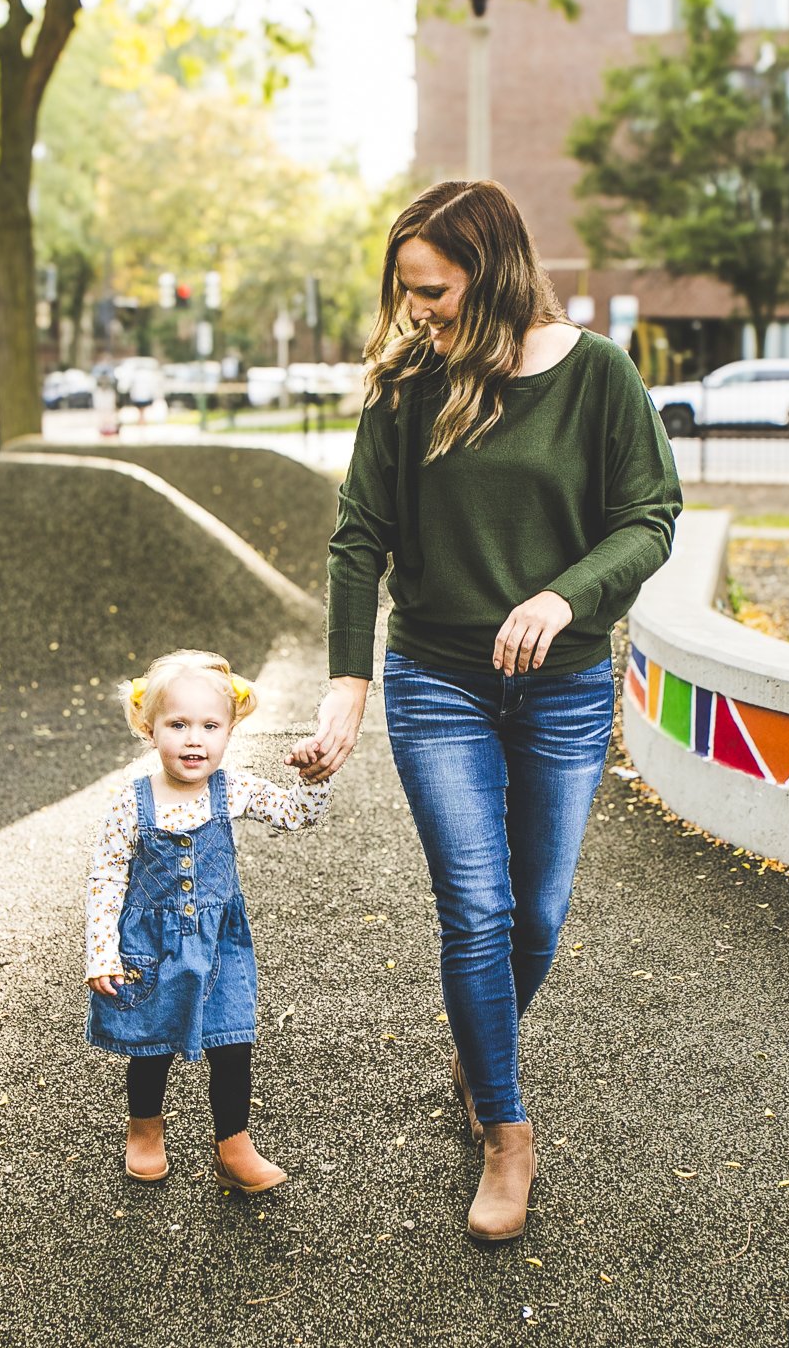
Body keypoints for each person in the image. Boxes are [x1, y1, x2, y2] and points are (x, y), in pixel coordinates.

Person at [288, 180, 682, 1243]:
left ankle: (479, 1047)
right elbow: (357, 536)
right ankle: (507, 1132)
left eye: (436, 289)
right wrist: (344, 690)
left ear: (495, 268)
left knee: (536, 916)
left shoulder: (596, 374)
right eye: (407, 291)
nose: (418, 309)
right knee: (476, 908)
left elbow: (649, 518)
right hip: (440, 682)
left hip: (562, 688)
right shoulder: (411, 379)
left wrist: (565, 596)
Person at [86, 648, 331, 1190]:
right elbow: (106, 877)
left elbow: (298, 814)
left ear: (230, 731)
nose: (194, 739)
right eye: (178, 724)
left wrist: (315, 775)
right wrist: (102, 949)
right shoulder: (132, 803)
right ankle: (145, 1127)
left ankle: (233, 1146)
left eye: (209, 726)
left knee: (232, 1043)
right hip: (150, 947)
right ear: (149, 730)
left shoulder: (233, 787)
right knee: (151, 1044)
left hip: (221, 945)